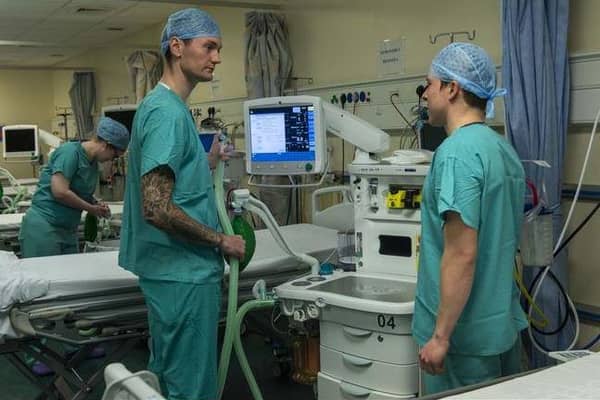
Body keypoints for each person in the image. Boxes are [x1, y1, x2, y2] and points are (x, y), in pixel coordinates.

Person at [118, 8, 245, 400]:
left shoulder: (168, 109)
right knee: (189, 387)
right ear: (177, 47)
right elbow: (155, 207)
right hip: (181, 273)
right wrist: (220, 240)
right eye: (209, 47)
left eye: (218, 49)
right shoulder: (166, 113)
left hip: (177, 272)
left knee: (170, 377)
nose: (216, 58)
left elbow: (173, 182)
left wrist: (205, 163)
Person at [411, 42, 528, 395]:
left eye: (428, 85)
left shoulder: (456, 155)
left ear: (452, 88)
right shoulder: (502, 150)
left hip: (464, 341)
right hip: (500, 328)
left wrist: (440, 337)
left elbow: (462, 252)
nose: (425, 95)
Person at [19, 117, 129, 258]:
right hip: (45, 227)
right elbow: (60, 191)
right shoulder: (70, 153)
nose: (112, 160)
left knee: (67, 276)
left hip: (68, 230)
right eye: (114, 155)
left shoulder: (93, 163)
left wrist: (95, 204)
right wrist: (91, 209)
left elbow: (80, 191)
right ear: (106, 145)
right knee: (45, 278)